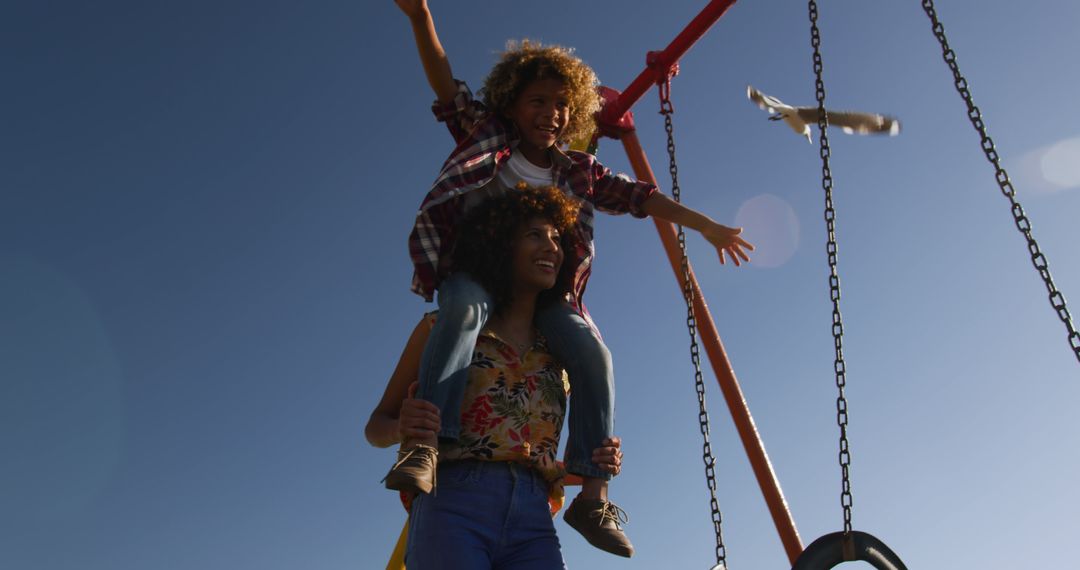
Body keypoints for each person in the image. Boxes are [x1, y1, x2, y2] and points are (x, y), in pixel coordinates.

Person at [388, 0, 755, 557]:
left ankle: (592, 495)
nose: (552, 114)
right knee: (461, 313)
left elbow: (638, 196)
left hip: (541, 295)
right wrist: (420, 18)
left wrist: (704, 225)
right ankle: (428, 447)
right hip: (476, 273)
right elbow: (446, 85)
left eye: (563, 105)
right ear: (511, 103)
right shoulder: (487, 133)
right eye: (538, 101)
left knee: (593, 354)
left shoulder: (576, 170)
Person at [367, 187, 625, 569]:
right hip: (452, 500)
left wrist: (598, 462)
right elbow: (376, 427)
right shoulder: (443, 328)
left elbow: (537, 455)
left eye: (557, 239)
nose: (551, 247)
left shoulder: (561, 354)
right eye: (535, 235)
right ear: (501, 246)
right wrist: (401, 427)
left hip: (534, 513)